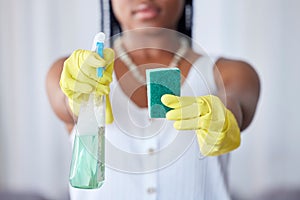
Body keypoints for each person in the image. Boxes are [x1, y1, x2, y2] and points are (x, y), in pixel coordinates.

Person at [46, 0, 260, 199]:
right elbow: (66, 106)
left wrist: (225, 115)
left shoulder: (231, 72)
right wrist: (79, 98)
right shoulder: (73, 72)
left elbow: (235, 104)